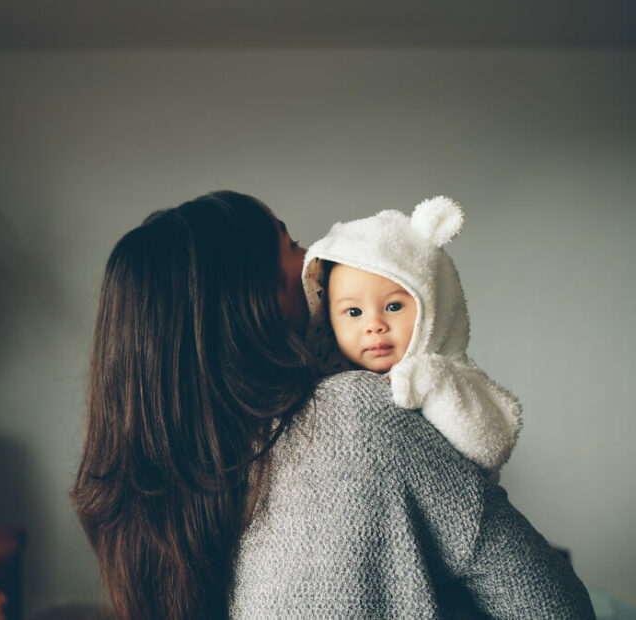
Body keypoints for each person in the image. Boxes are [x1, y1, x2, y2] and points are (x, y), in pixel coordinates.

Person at [72, 190, 594, 619]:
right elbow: (554, 606)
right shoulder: (356, 414)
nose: (317, 256)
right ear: (256, 305)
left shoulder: (147, 511)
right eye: (293, 244)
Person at [302, 196, 522, 476]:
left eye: (393, 307)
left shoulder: (455, 374)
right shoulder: (327, 388)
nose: (374, 325)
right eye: (354, 312)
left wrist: (435, 383)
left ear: (434, 305)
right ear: (327, 319)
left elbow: (493, 446)